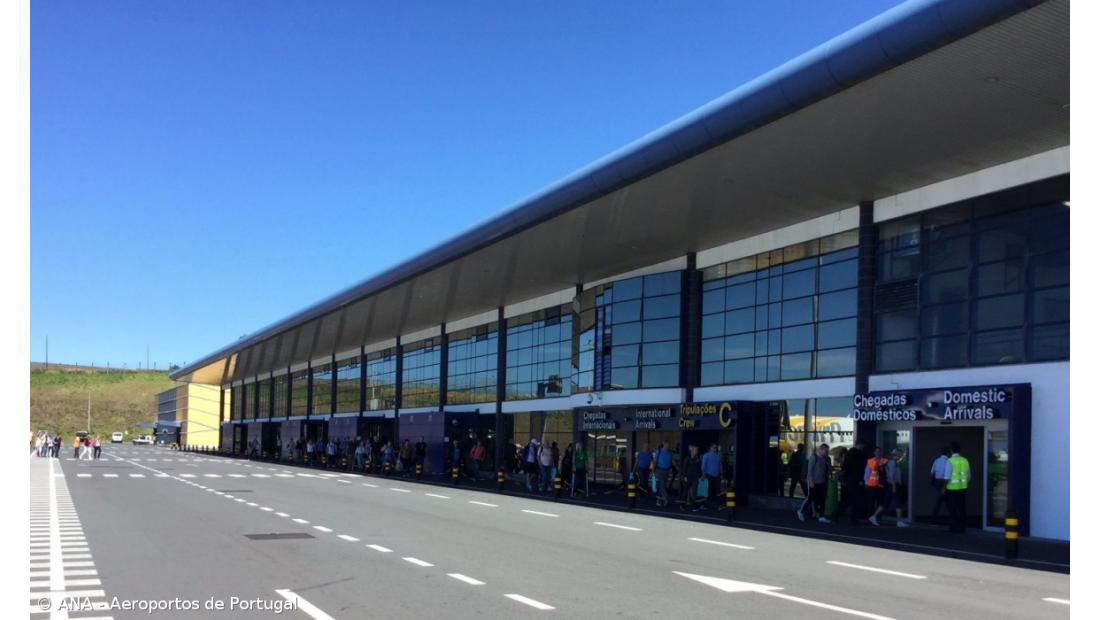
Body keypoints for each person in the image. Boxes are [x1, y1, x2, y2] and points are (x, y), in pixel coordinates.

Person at [873, 449, 909, 527]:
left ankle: (873, 516)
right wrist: (894, 486)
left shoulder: (895, 463)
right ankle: (899, 521)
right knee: (897, 502)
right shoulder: (892, 463)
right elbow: (891, 475)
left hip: (893, 485)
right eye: (899, 455)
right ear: (895, 455)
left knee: (886, 503)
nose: (900, 456)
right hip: (893, 485)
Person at [837, 439, 868, 525]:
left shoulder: (850, 454)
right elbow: (856, 469)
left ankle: (839, 514)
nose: (863, 447)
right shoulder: (857, 455)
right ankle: (852, 518)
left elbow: (846, 467)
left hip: (850, 480)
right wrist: (860, 480)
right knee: (854, 499)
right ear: (859, 445)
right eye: (862, 445)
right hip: (855, 480)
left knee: (849, 499)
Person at [799, 443, 832, 523]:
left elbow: (829, 469)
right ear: (821, 449)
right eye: (825, 451)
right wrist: (811, 481)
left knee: (822, 499)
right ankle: (801, 511)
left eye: (827, 451)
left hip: (822, 482)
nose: (826, 453)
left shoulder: (825, 458)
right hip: (814, 482)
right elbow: (810, 470)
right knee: (810, 498)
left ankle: (821, 516)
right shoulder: (814, 457)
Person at [945, 441, 971, 534]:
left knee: (952, 509)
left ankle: (953, 527)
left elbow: (947, 476)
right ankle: (962, 528)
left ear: (951, 450)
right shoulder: (965, 460)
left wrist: (944, 488)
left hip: (952, 489)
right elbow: (969, 476)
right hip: (963, 488)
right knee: (962, 508)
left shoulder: (950, 461)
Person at [864, 447, 888, 526]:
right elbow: (867, 472)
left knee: (880, 502)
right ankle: (870, 518)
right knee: (871, 502)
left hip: (880, 485)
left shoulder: (884, 461)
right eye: (877, 452)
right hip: (871, 484)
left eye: (879, 452)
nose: (878, 453)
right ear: (874, 453)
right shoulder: (870, 461)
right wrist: (866, 482)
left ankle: (876, 517)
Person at [929, 446, 951, 523]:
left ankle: (933, 517)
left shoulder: (936, 461)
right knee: (945, 500)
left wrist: (933, 483)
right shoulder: (949, 461)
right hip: (945, 482)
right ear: (948, 453)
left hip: (937, 482)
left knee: (942, 499)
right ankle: (934, 517)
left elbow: (932, 472)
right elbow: (948, 474)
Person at [680, 445, 702, 511]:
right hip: (687, 477)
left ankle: (694, 506)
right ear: (691, 451)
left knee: (694, 491)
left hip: (695, 478)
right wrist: (684, 476)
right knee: (685, 491)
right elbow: (684, 468)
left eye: (697, 450)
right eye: (695, 450)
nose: (696, 451)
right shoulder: (687, 458)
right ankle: (682, 505)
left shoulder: (697, 459)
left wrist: (700, 475)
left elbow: (699, 468)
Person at [654, 441, 674, 507]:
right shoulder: (659, 451)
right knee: (662, 485)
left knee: (662, 486)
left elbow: (672, 461)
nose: (668, 446)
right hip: (659, 470)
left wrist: (677, 467)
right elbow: (655, 460)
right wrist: (653, 470)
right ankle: (665, 499)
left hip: (667, 471)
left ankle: (659, 501)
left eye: (669, 444)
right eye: (667, 444)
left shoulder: (670, 453)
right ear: (664, 444)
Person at [701, 444, 721, 509]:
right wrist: (703, 475)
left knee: (718, 490)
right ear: (710, 448)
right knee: (707, 490)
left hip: (717, 476)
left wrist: (722, 474)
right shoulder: (706, 455)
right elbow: (703, 466)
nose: (715, 448)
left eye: (716, 447)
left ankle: (718, 505)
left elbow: (720, 465)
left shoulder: (718, 456)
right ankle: (704, 505)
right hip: (708, 475)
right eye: (714, 447)